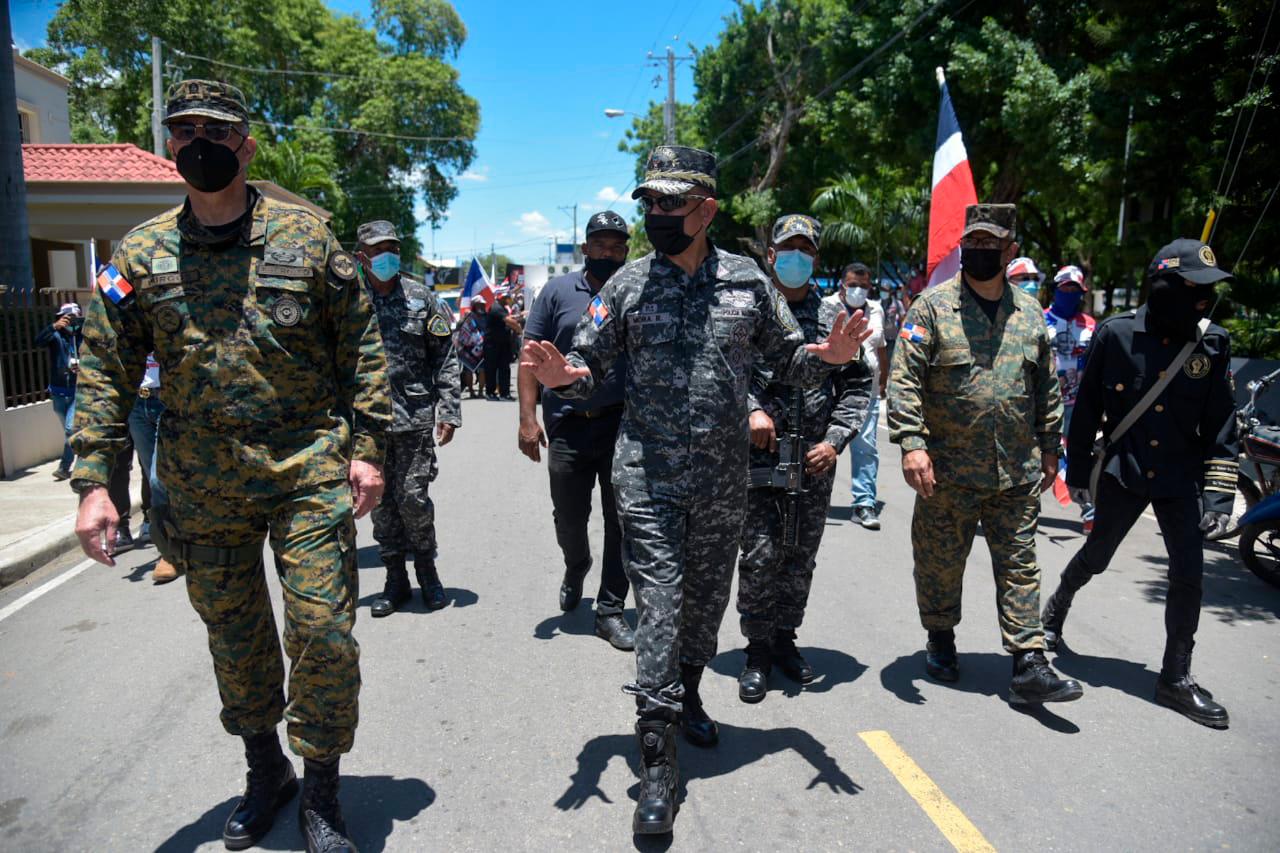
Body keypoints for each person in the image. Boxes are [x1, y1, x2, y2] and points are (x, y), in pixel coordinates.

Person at [70, 80, 389, 853]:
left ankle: (320, 792)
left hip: (306, 462)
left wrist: (370, 449)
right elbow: (106, 369)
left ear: (246, 147)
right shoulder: (140, 255)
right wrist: (94, 485)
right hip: (201, 477)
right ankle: (264, 770)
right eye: (183, 132)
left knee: (322, 630)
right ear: (170, 146)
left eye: (215, 132)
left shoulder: (308, 239)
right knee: (235, 636)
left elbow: (364, 351)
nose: (198, 144)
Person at [521, 145, 869, 836]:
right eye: (648, 201)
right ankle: (657, 758)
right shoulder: (625, 286)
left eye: (670, 203)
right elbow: (591, 366)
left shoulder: (748, 284)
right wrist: (564, 378)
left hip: (723, 481)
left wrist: (828, 358)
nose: (656, 214)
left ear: (706, 208)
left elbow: (789, 362)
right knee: (663, 603)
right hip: (645, 477)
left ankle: (687, 690)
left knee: (704, 608)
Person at [887, 202, 1083, 706]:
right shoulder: (931, 308)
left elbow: (1046, 388)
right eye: (971, 244)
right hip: (946, 474)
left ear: (1009, 250)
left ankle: (1028, 662)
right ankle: (940, 638)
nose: (978, 252)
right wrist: (912, 443)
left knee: (1020, 565)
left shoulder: (1031, 312)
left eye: (990, 245)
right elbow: (904, 379)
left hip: (1014, 471)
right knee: (938, 566)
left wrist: (1048, 448)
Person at [1041, 239, 1236, 729]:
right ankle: (1056, 608)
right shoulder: (1116, 333)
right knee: (1098, 555)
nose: (1205, 301)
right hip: (1124, 471)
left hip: (1179, 478)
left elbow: (1220, 424)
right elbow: (1085, 410)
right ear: (1167, 285)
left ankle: (1176, 677)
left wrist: (1217, 495)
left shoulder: (1211, 342)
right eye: (1197, 289)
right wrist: (1079, 472)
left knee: (1189, 574)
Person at [737, 214, 872, 702]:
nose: (797, 256)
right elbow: (723, 374)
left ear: (815, 259)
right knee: (758, 556)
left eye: (806, 249)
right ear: (770, 255)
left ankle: (784, 641)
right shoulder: (746, 310)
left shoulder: (833, 317)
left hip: (813, 461)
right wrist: (751, 410)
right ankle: (756, 652)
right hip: (757, 458)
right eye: (787, 247)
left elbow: (858, 384)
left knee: (799, 558)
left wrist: (834, 440)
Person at [519, 211, 635, 650]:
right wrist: (527, 419)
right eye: (600, 245)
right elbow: (529, 358)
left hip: (624, 426)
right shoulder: (556, 292)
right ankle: (576, 563)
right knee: (569, 517)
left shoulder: (638, 290)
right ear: (584, 248)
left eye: (617, 246)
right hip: (568, 426)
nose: (609, 252)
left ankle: (609, 610)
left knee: (621, 520)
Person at [357, 220, 461, 617]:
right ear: (361, 256)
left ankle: (428, 572)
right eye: (378, 249)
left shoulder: (422, 299)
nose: (388, 256)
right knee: (380, 503)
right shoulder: (350, 299)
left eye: (393, 248)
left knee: (413, 499)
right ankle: (395, 579)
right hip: (366, 422)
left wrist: (449, 409)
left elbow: (445, 357)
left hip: (414, 417)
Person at [1045, 264, 1097, 531]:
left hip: (1077, 404)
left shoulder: (1090, 326)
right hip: (1040, 402)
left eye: (1074, 289)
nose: (1069, 293)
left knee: (1073, 454)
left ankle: (1089, 508)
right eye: (1065, 287)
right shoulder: (1038, 320)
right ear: (1056, 289)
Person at [834, 262, 886, 529]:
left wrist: (884, 381)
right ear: (843, 283)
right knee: (820, 444)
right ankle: (809, 500)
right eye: (853, 284)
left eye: (864, 286)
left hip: (867, 389)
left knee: (866, 447)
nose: (858, 290)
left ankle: (864, 504)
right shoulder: (827, 306)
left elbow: (881, 347)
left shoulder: (876, 309)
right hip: (832, 387)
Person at [127, 352, 178, 583]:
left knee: (159, 479)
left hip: (166, 399)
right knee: (151, 478)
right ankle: (173, 539)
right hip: (137, 403)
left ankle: (168, 553)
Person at [35, 302, 83, 480]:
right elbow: (38, 342)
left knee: (71, 429)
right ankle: (82, 458)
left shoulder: (83, 335)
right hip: (58, 391)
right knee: (70, 433)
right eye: (66, 317)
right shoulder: (55, 335)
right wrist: (53, 327)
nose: (70, 321)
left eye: (73, 317)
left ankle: (64, 467)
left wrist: (83, 368)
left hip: (77, 390)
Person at [484, 290, 515, 399]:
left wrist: (520, 316)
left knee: (504, 368)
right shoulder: (496, 308)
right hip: (492, 344)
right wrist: (520, 331)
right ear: (501, 298)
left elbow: (510, 319)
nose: (508, 299)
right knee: (492, 369)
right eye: (506, 297)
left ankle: (504, 393)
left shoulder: (503, 308)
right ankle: (490, 393)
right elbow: (509, 321)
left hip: (503, 344)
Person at [456, 295, 487, 398]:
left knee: (482, 370)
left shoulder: (486, 316)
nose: (481, 306)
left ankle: (481, 392)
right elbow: (460, 328)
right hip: (468, 347)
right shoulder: (468, 316)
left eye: (482, 304)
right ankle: (471, 392)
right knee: (468, 370)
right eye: (479, 304)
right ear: (474, 305)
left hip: (482, 347)